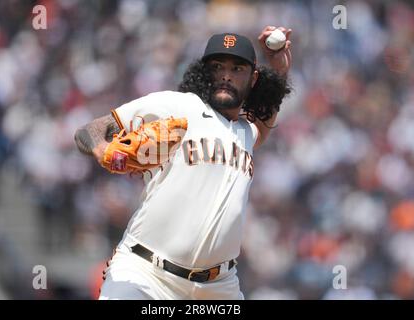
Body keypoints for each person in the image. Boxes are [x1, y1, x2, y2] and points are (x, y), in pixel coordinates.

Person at [74, 25, 292, 300]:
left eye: (237, 69)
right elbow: (89, 130)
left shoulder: (246, 133)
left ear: (253, 78)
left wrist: (280, 70)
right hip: (146, 274)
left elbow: (265, 121)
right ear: (204, 72)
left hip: (218, 286)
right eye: (217, 66)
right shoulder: (178, 106)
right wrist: (102, 149)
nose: (226, 75)